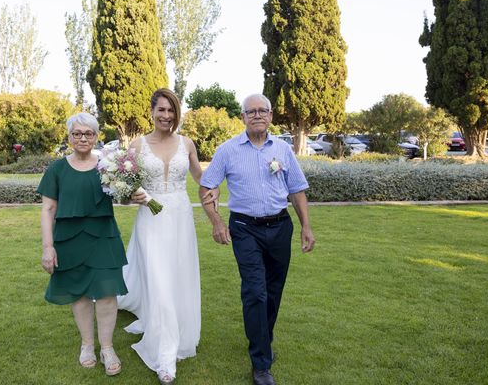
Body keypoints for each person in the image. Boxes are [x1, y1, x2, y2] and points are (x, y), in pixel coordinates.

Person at [199, 93, 316, 385]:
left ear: (271, 115)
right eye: (251, 111)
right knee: (255, 292)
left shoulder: (284, 150)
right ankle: (261, 364)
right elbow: (206, 187)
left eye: (262, 110)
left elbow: (297, 189)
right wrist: (216, 221)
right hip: (244, 228)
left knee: (273, 291)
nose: (257, 115)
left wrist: (306, 227)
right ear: (243, 118)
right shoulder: (227, 150)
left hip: (280, 227)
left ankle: (262, 343)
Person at [118, 88, 216, 384]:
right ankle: (164, 356)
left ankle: (177, 330)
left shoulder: (187, 143)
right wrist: (129, 195)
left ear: (177, 114)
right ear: (152, 112)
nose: (166, 116)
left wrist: (214, 184)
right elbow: (122, 188)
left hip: (180, 216)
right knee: (159, 281)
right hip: (150, 216)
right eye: (161, 110)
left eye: (171, 110)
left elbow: (199, 176)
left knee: (177, 276)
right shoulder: (137, 145)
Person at [38, 112, 127, 377]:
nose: (83, 138)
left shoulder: (108, 166)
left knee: (107, 293)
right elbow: (47, 210)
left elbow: (123, 197)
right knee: (79, 294)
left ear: (97, 137)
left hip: (103, 237)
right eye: (77, 133)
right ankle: (87, 344)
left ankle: (108, 348)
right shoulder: (57, 169)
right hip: (68, 239)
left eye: (88, 133)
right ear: (69, 137)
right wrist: (47, 246)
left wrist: (134, 191)